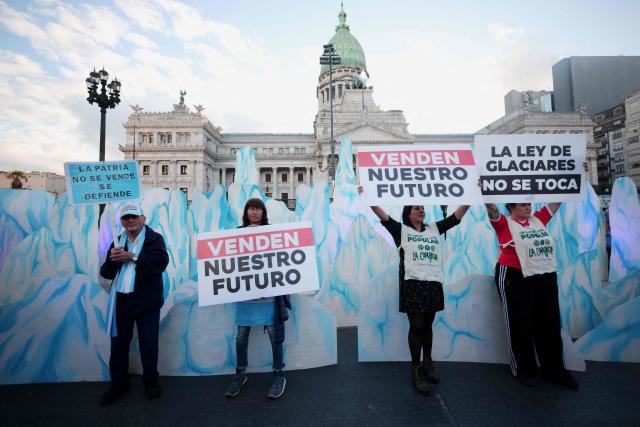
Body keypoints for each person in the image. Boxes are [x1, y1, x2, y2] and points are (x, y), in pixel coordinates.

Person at [359, 187, 469, 396]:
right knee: (416, 326)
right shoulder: (402, 230)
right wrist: (367, 197)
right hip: (413, 284)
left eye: (422, 208)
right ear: (408, 213)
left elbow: (455, 218)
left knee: (428, 325)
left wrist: (470, 197)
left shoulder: (434, 229)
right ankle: (416, 369)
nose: (421, 210)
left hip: (432, 283)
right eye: (416, 208)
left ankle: (428, 362)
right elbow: (382, 216)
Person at [484, 201, 578, 390]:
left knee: (550, 323)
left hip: (543, 274)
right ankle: (524, 370)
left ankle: (554, 369)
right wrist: (486, 192)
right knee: (520, 323)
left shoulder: (538, 219)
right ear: (511, 207)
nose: (528, 208)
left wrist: (574, 173)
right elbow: (491, 209)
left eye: (529, 204)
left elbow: (556, 201)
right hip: (514, 275)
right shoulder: (503, 223)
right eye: (522, 205)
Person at [99, 202, 169, 405]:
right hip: (122, 301)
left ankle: (151, 382)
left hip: (147, 302)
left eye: (133, 216)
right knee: (119, 345)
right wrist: (113, 260)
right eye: (125, 217)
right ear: (121, 221)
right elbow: (106, 273)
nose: (129, 220)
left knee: (149, 344)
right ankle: (119, 384)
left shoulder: (155, 239)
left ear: (143, 219)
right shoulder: (116, 241)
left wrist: (133, 256)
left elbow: (160, 264)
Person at [224, 198, 292, 400]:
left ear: (263, 212)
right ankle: (240, 374)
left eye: (258, 209)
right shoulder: (236, 233)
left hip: (268, 297)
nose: (254, 212)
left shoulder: (273, 233)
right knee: (241, 336)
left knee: (275, 337)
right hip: (245, 298)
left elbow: (281, 260)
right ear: (246, 212)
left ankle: (279, 374)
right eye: (251, 209)